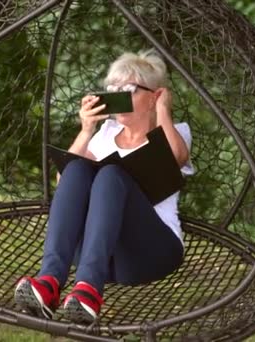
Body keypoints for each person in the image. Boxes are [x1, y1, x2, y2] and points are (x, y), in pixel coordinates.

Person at [14, 50, 195, 324]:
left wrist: (163, 110)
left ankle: (89, 291)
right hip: (101, 257)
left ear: (154, 95)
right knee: (76, 167)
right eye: (113, 89)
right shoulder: (106, 133)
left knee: (111, 175)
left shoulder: (174, 130)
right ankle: (49, 281)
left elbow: (177, 158)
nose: (118, 96)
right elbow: (65, 185)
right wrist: (86, 130)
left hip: (152, 252)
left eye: (129, 90)